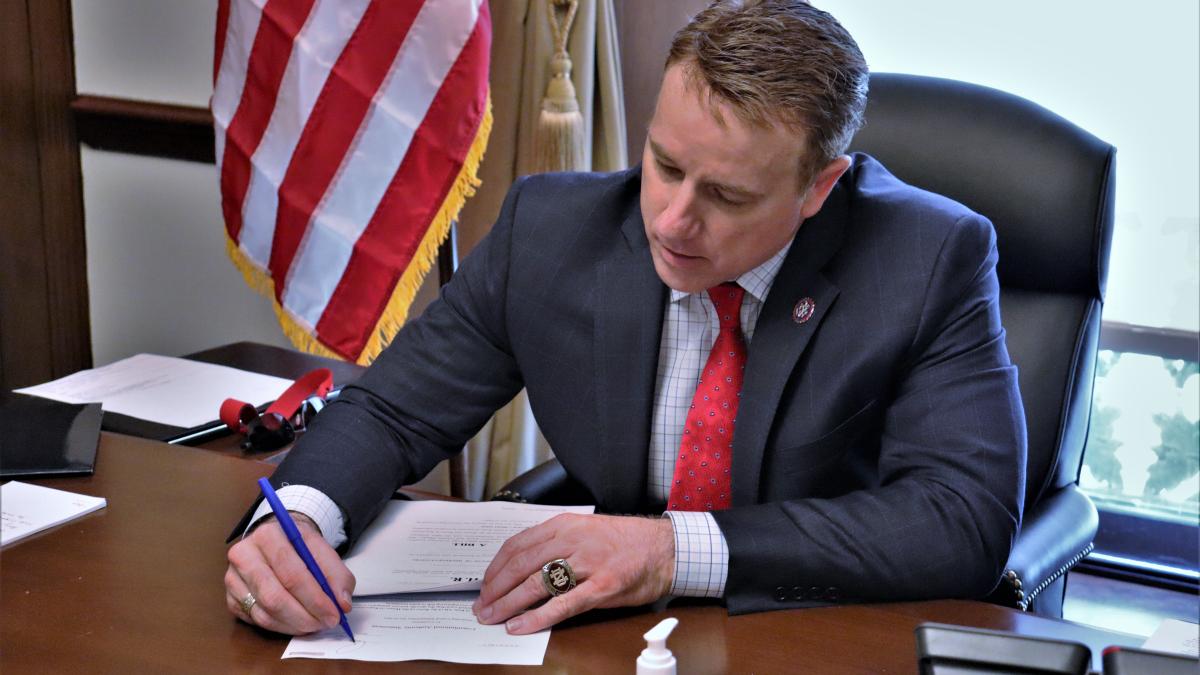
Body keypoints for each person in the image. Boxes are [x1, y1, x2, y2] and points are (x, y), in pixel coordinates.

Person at [224, 0, 1026, 637]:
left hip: (811, 633)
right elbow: (394, 411)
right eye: (665, 165)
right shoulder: (550, 232)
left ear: (819, 187)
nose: (672, 221)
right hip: (609, 638)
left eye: (727, 196)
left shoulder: (928, 260)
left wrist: (670, 550)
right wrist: (295, 520)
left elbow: (961, 520)